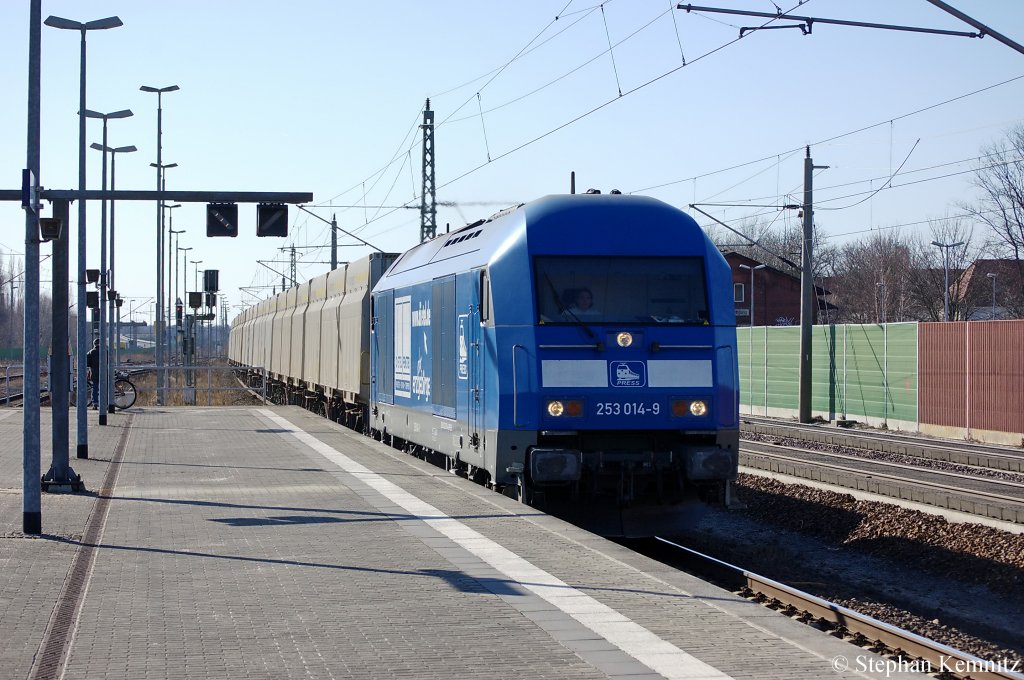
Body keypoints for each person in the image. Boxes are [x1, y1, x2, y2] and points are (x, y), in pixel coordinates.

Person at [86, 339, 99, 409]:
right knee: (105, 388)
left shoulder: (90, 352)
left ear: (94, 344)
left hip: (94, 373)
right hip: (104, 373)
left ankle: (95, 403)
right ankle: (106, 403)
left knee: (95, 388)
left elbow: (88, 364)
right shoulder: (105, 351)